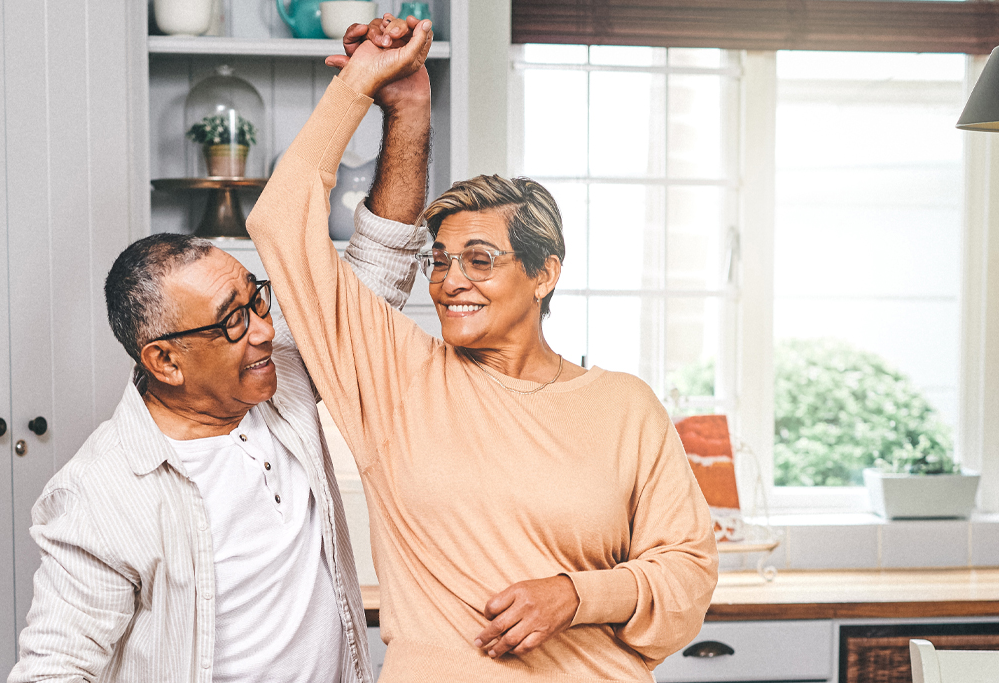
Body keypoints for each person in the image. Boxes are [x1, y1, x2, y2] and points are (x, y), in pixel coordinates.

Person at [248, 18, 719, 683]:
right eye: (440, 262)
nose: (450, 282)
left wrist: (576, 594)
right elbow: (280, 219)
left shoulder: (624, 406)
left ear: (544, 272)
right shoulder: (393, 376)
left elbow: (689, 575)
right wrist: (371, 88)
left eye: (480, 259)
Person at [7, 17, 431, 683]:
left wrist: (405, 106)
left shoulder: (280, 376)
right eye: (232, 321)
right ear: (165, 361)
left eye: (255, 298)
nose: (263, 328)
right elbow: (54, 667)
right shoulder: (100, 494)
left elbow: (378, 266)